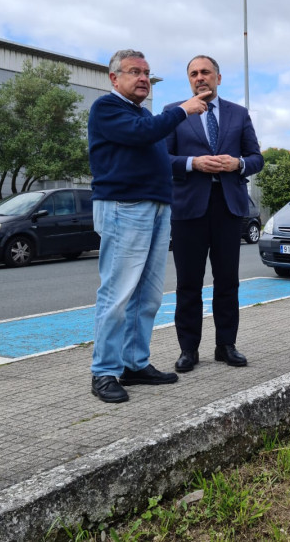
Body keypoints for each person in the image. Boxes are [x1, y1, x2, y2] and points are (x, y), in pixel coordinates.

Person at [88, 49, 210, 403]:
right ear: (114, 78)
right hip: (124, 207)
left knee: (148, 295)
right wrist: (183, 109)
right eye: (135, 72)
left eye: (147, 73)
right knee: (118, 293)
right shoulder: (107, 109)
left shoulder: (143, 115)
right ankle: (104, 371)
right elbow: (142, 134)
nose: (143, 78)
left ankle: (134, 363)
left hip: (157, 208)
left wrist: (197, 164)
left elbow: (154, 149)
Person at [164, 55, 264, 373]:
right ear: (189, 80)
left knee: (227, 282)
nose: (200, 78)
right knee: (188, 284)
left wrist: (239, 164)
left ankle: (226, 346)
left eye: (205, 72)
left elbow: (256, 158)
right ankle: (188, 351)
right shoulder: (173, 114)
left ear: (218, 78)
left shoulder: (238, 113)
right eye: (193, 74)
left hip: (228, 207)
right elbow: (161, 159)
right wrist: (193, 163)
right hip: (188, 209)